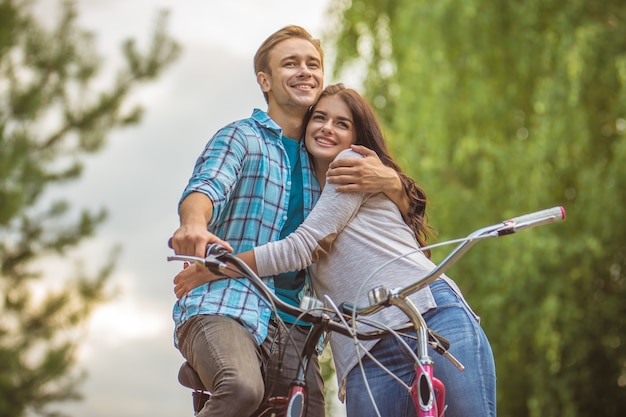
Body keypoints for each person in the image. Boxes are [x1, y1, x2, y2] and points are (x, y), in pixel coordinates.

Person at [174, 83, 497, 417]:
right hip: (364, 350)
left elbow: (299, 249)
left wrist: (216, 268)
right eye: (320, 118)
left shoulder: (350, 166)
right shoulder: (310, 194)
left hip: (428, 317)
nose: (327, 128)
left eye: (342, 123)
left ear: (356, 136)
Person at [170, 26, 412, 417]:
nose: (305, 71)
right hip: (226, 306)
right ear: (265, 81)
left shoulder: (324, 161)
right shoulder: (242, 138)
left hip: (296, 326)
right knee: (241, 388)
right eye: (290, 63)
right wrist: (194, 224)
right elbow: (206, 187)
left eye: (312, 64)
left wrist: (395, 183)